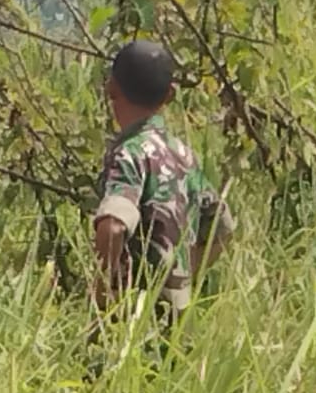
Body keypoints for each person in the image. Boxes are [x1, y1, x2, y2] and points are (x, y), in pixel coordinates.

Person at [92, 39, 234, 323]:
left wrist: (102, 295)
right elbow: (222, 227)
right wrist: (183, 278)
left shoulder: (129, 154)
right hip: (177, 319)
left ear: (111, 89)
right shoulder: (184, 155)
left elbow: (114, 225)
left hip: (131, 317)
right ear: (170, 94)